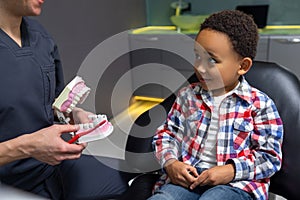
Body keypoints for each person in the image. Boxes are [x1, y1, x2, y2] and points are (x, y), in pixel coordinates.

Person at [0, 0, 133, 199]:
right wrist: (27, 146)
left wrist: (74, 113)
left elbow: (51, 99)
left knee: (135, 183)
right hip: (9, 180)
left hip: (50, 168)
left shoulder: (40, 38)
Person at [149, 10, 283, 200]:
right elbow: (167, 135)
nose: (200, 67)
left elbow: (270, 158)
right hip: (189, 180)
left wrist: (229, 171)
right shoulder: (187, 96)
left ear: (243, 66)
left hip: (236, 185)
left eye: (212, 60)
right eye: (197, 56)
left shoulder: (260, 105)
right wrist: (171, 163)